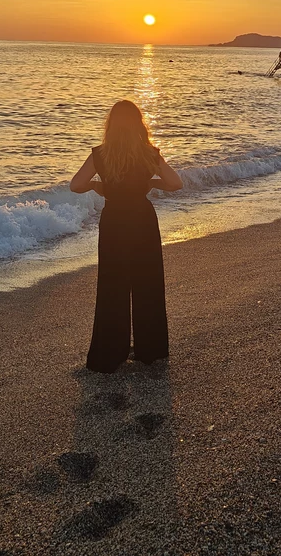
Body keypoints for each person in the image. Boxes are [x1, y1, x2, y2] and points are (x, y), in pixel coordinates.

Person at [70, 99, 182, 373]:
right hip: (143, 220)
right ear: (138, 125)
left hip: (114, 222)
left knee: (112, 285)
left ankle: (110, 351)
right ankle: (150, 349)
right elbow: (176, 183)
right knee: (148, 282)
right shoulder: (149, 153)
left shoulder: (101, 153)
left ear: (111, 126)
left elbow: (76, 185)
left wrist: (99, 186)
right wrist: (152, 182)